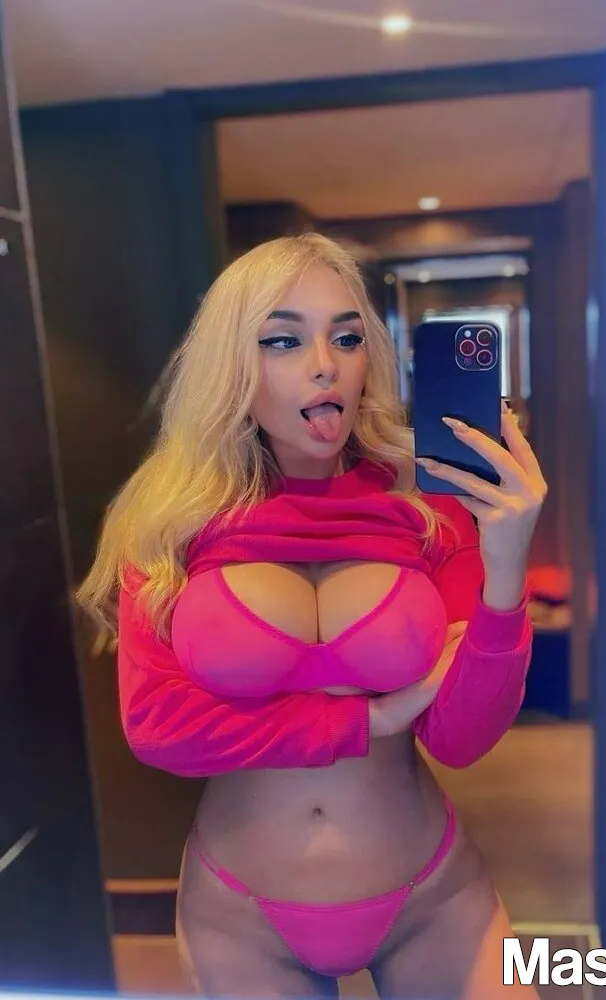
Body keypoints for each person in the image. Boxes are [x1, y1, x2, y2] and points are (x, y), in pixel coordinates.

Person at [76, 233, 547, 998]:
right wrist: (366, 721)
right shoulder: (168, 521)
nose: (325, 363)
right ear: (234, 362)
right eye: (283, 340)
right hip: (242, 916)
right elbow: (158, 725)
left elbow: (462, 739)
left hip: (431, 898)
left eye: (347, 337)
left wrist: (507, 570)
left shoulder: (424, 506)